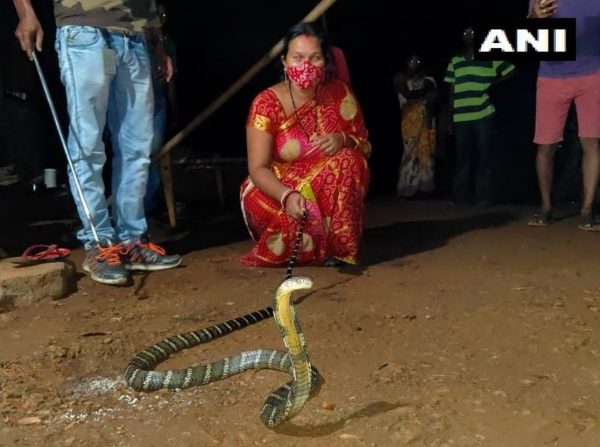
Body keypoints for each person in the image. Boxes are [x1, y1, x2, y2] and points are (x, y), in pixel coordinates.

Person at [14, 0, 182, 285]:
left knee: (138, 147)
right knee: (87, 145)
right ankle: (99, 243)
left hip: (136, 34)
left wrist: (156, 42)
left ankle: (132, 241)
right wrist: (25, 13)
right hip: (84, 30)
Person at [240, 22, 372, 268]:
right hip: (276, 192)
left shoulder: (340, 94)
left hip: (329, 194)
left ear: (326, 61)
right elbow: (258, 169)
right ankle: (307, 241)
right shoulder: (266, 103)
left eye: (315, 57)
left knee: (349, 160)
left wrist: (343, 139)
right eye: (298, 58)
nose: (306, 66)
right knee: (266, 199)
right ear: (284, 61)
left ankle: (339, 248)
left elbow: (365, 147)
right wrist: (287, 195)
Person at [527, 0, 600, 231]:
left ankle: (587, 210)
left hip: (593, 74)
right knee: (545, 146)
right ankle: (546, 207)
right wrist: (536, 16)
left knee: (591, 142)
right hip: (551, 75)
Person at [444, 27, 515, 205]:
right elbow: (451, 90)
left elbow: (511, 69)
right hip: (461, 116)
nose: (469, 36)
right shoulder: (455, 61)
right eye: (466, 33)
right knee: (462, 159)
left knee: (485, 157)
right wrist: (449, 117)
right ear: (461, 37)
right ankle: (460, 198)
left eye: (473, 33)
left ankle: (483, 198)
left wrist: (492, 82)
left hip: (483, 114)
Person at [145, 1, 179, 216]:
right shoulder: (133, 38)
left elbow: (170, 82)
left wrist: (173, 112)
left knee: (152, 158)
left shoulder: (166, 44)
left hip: (157, 105)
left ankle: (147, 211)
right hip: (133, 106)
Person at [394, 54, 438, 198]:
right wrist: (424, 94)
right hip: (409, 122)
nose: (414, 63)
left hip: (424, 120)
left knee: (425, 153)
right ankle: (406, 188)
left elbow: (430, 91)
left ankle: (424, 189)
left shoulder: (426, 80)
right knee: (409, 153)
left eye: (417, 61)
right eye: (411, 61)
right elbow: (408, 95)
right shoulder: (400, 78)